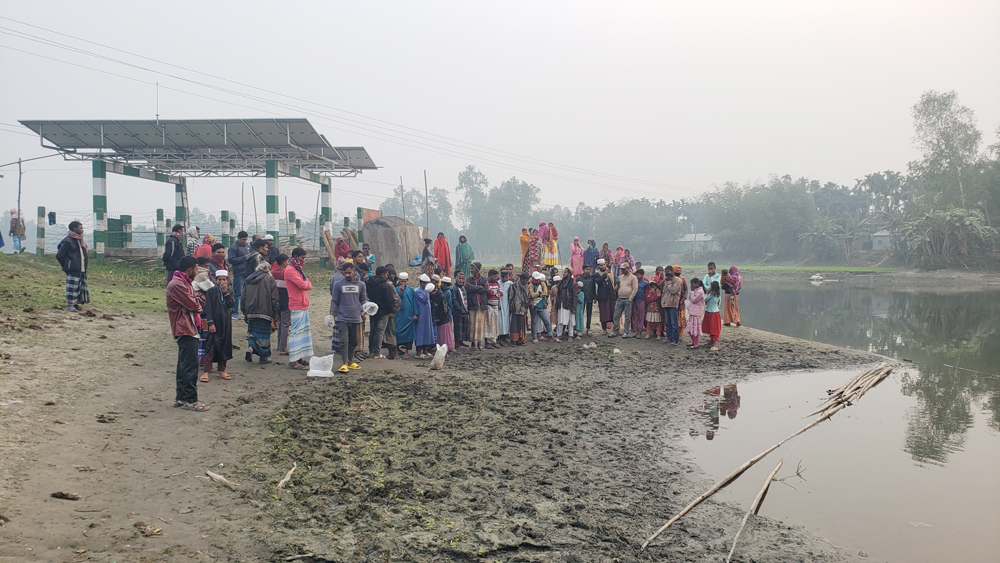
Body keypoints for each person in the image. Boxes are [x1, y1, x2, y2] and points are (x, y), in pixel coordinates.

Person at [166, 256, 208, 412]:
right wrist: (197, 300)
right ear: (189, 269)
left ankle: (181, 398)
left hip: (188, 327)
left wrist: (197, 299)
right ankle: (191, 400)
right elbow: (195, 304)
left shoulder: (183, 283)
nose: (197, 272)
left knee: (184, 365)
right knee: (190, 366)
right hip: (185, 328)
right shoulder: (177, 285)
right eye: (196, 270)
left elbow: (195, 301)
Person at [331, 262, 368, 372]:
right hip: (342, 317)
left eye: (349, 273)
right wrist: (331, 315)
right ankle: (344, 363)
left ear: (354, 271)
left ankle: (351, 361)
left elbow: (363, 300)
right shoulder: (338, 284)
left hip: (356, 317)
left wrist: (364, 310)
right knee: (344, 341)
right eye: (345, 273)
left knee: (354, 342)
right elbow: (334, 300)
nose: (347, 275)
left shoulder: (361, 285)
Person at [242, 261, 279, 365]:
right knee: (264, 335)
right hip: (265, 312)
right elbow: (274, 297)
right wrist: (276, 312)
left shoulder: (248, 279)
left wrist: (244, 311)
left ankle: (251, 347)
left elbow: (243, 296)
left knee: (252, 332)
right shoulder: (270, 279)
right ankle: (264, 357)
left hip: (251, 311)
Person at [200, 269, 234, 380]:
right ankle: (206, 371)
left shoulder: (229, 291)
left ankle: (221, 370)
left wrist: (225, 292)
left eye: (224, 279)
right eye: (219, 279)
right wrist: (210, 323)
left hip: (226, 323)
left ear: (227, 280)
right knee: (211, 347)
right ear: (215, 280)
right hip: (214, 322)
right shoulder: (211, 291)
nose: (222, 282)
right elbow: (208, 308)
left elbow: (231, 304)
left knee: (224, 346)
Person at [284, 247, 314, 369]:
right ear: (295, 258)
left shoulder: (298, 270)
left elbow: (308, 284)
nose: (303, 261)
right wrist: (306, 284)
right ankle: (294, 360)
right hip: (296, 304)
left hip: (302, 304)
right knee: (296, 333)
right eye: (302, 258)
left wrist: (306, 284)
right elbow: (304, 284)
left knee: (303, 332)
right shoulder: (290, 270)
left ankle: (299, 357)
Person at [56, 221, 90, 312]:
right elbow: (60, 255)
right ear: (74, 229)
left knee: (78, 287)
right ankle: (70, 305)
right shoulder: (67, 241)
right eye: (80, 228)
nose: (82, 230)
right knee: (71, 288)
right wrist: (67, 265)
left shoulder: (80, 241)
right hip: (72, 269)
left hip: (80, 269)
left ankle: (75, 303)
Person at [366, 266, 396, 359]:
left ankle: (371, 351)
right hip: (383, 312)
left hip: (372, 310)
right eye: (386, 274)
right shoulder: (385, 285)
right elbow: (389, 300)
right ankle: (377, 353)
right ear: (383, 274)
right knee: (380, 332)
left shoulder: (369, 283)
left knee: (372, 331)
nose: (387, 276)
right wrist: (391, 310)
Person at [227, 231, 252, 319]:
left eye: (246, 239)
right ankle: (234, 312)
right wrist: (243, 258)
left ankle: (243, 311)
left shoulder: (248, 246)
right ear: (238, 238)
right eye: (243, 239)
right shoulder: (233, 248)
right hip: (239, 273)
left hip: (247, 273)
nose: (245, 241)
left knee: (246, 294)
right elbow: (231, 259)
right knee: (237, 294)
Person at [610, 262, 637, 338]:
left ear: (628, 268)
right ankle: (615, 331)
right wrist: (617, 284)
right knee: (616, 315)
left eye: (623, 269)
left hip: (628, 299)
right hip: (620, 298)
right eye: (621, 269)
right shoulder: (620, 277)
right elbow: (615, 289)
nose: (622, 271)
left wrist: (630, 298)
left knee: (627, 317)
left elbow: (635, 289)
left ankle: (626, 331)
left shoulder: (633, 277)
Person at [271, 254, 290, 355]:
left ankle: (279, 345)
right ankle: (283, 348)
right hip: (286, 301)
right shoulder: (286, 272)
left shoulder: (272, 273)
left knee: (280, 324)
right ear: (284, 262)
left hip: (276, 302)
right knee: (285, 325)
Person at [466, 263, 488, 351]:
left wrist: (475, 288)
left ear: (477, 269)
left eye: (473, 268)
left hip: (481, 305)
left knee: (479, 325)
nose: (471, 270)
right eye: (470, 268)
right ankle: (473, 342)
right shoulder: (469, 279)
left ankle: (479, 343)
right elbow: (468, 287)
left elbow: (486, 289)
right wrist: (479, 287)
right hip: (472, 304)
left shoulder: (484, 278)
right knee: (472, 324)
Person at [395, 272, 417, 359]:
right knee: (396, 332)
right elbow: (396, 300)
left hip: (409, 315)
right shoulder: (395, 289)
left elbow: (414, 302)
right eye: (401, 281)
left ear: (407, 280)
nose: (403, 283)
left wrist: (415, 313)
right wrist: (400, 291)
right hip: (399, 315)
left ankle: (406, 352)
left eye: (404, 281)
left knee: (409, 334)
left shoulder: (411, 290)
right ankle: (396, 352)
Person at [554, 268, 577, 342]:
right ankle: (559, 334)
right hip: (561, 304)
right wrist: (557, 303)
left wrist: (574, 307)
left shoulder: (573, 284)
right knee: (560, 320)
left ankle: (570, 335)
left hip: (569, 305)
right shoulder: (561, 283)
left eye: (565, 272)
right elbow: (558, 294)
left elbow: (575, 296)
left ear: (570, 274)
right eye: (564, 272)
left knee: (570, 321)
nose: (564, 274)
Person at [413, 281, 436, 358]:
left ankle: (425, 350)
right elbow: (425, 300)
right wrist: (426, 293)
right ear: (421, 283)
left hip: (427, 315)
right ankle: (418, 351)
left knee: (427, 332)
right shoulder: (418, 291)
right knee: (421, 332)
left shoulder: (425, 291)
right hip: (421, 315)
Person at [661, 269, 683, 344]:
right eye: (666, 272)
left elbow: (673, 290)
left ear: (672, 272)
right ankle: (669, 337)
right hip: (666, 303)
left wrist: (670, 282)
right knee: (667, 322)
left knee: (674, 323)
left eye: (669, 272)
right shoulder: (666, 280)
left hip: (673, 304)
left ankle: (675, 340)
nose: (668, 274)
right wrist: (665, 280)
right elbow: (663, 291)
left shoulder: (677, 280)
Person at [431, 281, 454, 352]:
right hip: (440, 319)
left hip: (443, 319)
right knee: (441, 335)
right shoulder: (436, 296)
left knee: (444, 335)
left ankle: (445, 349)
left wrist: (440, 318)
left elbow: (445, 309)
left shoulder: (441, 296)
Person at [508, 273, 530, 346]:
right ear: (521, 279)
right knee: (514, 325)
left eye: (527, 280)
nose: (526, 282)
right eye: (525, 280)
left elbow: (528, 297)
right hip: (515, 308)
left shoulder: (527, 287)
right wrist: (512, 307)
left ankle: (521, 340)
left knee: (522, 324)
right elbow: (510, 297)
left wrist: (526, 307)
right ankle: (513, 340)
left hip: (523, 308)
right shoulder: (514, 286)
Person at [483, 269, 503, 349]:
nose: (496, 277)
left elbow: (501, 293)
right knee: (488, 325)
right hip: (489, 306)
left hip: (495, 306)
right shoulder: (486, 283)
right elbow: (489, 292)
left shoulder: (497, 283)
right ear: (490, 276)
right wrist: (496, 293)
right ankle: (487, 342)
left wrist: (495, 293)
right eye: (495, 276)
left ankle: (493, 341)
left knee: (495, 324)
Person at [528, 271, 550, 342]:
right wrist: (540, 293)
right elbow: (531, 295)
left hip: (540, 305)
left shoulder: (542, 283)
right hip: (533, 306)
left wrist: (537, 294)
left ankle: (550, 334)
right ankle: (534, 336)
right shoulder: (530, 285)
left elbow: (545, 293)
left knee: (545, 320)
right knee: (533, 321)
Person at [595, 259, 615, 335]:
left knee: (613, 311)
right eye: (601, 265)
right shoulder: (596, 274)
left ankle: (616, 328)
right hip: (602, 296)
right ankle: (604, 329)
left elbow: (614, 282)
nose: (603, 266)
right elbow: (598, 282)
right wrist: (604, 275)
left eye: (604, 265)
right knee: (603, 313)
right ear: (598, 266)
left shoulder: (611, 273)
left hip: (611, 295)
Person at [450, 271, 470, 348]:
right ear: (456, 278)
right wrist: (460, 309)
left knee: (463, 327)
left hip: (464, 310)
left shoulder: (463, 287)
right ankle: (457, 343)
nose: (461, 280)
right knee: (458, 328)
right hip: (458, 311)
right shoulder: (454, 288)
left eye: (462, 279)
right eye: (459, 278)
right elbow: (454, 300)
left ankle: (461, 341)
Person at [578, 264, 599, 336]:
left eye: (589, 269)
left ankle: (588, 328)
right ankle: (580, 328)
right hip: (581, 299)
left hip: (590, 298)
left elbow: (593, 288)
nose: (588, 271)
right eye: (586, 269)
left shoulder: (592, 278)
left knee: (589, 314)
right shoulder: (579, 278)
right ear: (583, 270)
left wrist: (595, 297)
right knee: (580, 313)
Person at [703, 280, 723, 351]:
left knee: (713, 329)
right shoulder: (718, 294)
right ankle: (711, 342)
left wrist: (707, 293)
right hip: (714, 311)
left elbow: (705, 299)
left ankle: (715, 345)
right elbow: (719, 304)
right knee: (712, 328)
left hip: (712, 313)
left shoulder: (712, 294)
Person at [687, 278, 705, 349]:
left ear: (696, 284)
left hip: (696, 313)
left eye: (692, 284)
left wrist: (691, 292)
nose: (691, 286)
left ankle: (696, 344)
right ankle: (694, 342)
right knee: (690, 329)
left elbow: (694, 300)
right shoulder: (696, 291)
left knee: (694, 330)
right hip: (693, 312)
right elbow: (691, 299)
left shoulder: (700, 291)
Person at [497, 269, 513, 346]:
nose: (506, 279)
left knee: (506, 321)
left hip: (506, 305)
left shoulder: (510, 283)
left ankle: (504, 337)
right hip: (499, 305)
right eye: (505, 277)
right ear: (501, 277)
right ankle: (499, 338)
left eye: (507, 277)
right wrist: (497, 304)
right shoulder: (497, 283)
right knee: (500, 321)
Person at [631, 269, 648, 336]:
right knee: (635, 316)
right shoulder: (634, 282)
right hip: (634, 300)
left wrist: (646, 302)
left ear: (642, 275)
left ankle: (640, 332)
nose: (637, 276)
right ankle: (635, 330)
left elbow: (646, 294)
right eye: (636, 275)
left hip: (641, 301)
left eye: (638, 275)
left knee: (641, 316)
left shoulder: (645, 283)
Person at [674, 265, 688, 339]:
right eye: (676, 270)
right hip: (673, 302)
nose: (678, 272)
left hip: (681, 302)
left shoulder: (683, 279)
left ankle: (681, 334)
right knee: (674, 318)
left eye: (679, 270)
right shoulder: (671, 279)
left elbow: (686, 289)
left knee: (681, 318)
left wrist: (684, 298)